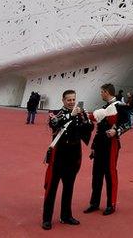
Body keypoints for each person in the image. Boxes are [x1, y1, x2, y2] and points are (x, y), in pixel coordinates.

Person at [42, 89, 93, 230]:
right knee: (52, 188)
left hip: (74, 154)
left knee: (69, 187)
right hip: (59, 155)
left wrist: (85, 118)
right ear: (63, 100)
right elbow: (54, 124)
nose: (71, 102)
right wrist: (71, 115)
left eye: (73, 99)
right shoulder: (55, 112)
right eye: (68, 99)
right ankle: (47, 218)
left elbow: (89, 128)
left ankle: (66, 215)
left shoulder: (80, 113)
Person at [83, 83, 132, 216]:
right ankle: (94, 203)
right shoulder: (105, 107)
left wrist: (117, 131)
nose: (101, 94)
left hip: (111, 144)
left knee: (110, 174)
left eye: (101, 92)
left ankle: (111, 204)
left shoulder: (120, 106)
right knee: (96, 175)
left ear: (106, 92)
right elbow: (99, 129)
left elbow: (129, 123)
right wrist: (93, 146)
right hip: (100, 144)